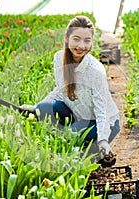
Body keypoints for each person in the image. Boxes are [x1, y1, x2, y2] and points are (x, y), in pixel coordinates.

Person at [21, 15, 120, 159]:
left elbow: (101, 109)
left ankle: (94, 149)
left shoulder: (95, 71)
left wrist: (103, 140)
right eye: (76, 39)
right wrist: (35, 108)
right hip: (78, 115)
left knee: (71, 133)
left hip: (104, 123)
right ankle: (79, 139)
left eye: (87, 40)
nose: (81, 46)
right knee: (43, 109)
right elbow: (60, 90)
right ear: (67, 38)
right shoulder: (58, 59)